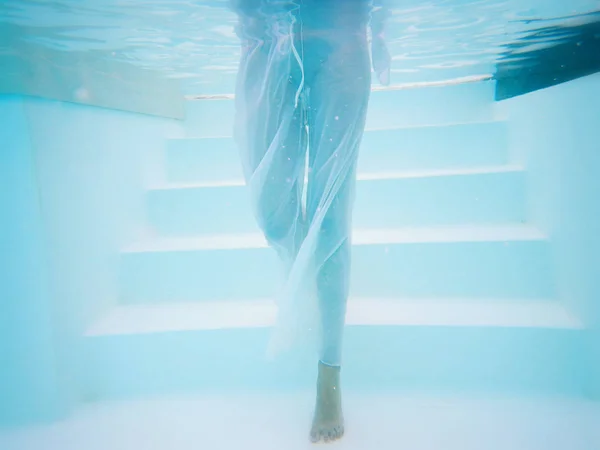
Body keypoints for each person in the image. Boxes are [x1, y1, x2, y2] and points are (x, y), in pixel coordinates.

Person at [230, 0, 390, 443]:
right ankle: (313, 288)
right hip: (262, 36)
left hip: (342, 31)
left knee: (331, 216)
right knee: (271, 212)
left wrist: (382, 30)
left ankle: (329, 377)